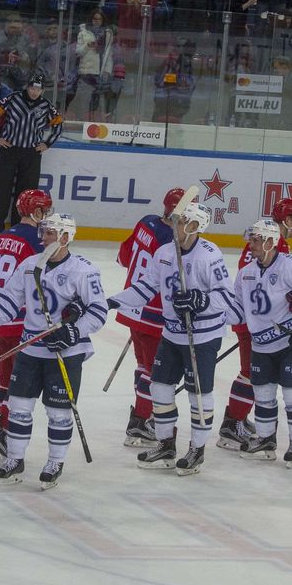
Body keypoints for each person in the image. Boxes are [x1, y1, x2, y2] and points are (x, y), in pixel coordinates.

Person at [109, 199, 233, 475]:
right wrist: (113, 301)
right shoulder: (165, 252)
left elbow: (227, 296)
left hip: (202, 337)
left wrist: (202, 301)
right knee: (160, 387)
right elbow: (146, 287)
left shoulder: (209, 255)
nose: (173, 224)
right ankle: (165, 444)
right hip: (172, 332)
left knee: (198, 394)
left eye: (180, 221)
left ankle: (197, 449)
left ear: (194, 226)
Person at [0, 212, 107, 488]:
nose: (43, 238)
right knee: (19, 407)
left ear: (66, 237)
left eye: (50, 233)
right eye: (44, 232)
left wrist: (74, 331)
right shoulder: (30, 265)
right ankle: (15, 459)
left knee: (58, 412)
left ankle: (55, 461)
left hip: (66, 353)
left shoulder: (83, 270)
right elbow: (7, 303)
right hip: (30, 349)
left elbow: (98, 311)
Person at [229, 217, 292, 467]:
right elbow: (238, 309)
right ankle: (265, 439)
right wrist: (209, 313)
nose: (251, 244)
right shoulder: (246, 273)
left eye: (256, 240)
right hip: (261, 346)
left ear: (270, 242)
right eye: (251, 239)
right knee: (263, 395)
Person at [218, 196, 292, 449]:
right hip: (255, 321)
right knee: (251, 373)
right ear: (287, 219)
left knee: (252, 372)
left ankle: (237, 419)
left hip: (253, 316)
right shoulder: (273, 243)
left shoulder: (265, 238)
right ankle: (232, 424)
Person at [0, 188, 49, 464]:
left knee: (4, 379)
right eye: (45, 210)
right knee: (21, 383)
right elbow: (43, 280)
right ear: (37, 211)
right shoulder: (37, 240)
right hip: (22, 321)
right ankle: (3, 431)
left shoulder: (3, 237)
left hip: (0, 317)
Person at [113, 188, 183, 448]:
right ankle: (141, 421)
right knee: (156, 371)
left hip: (131, 305)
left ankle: (144, 412)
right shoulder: (171, 240)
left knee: (144, 366)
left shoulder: (146, 222)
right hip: (153, 313)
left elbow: (123, 256)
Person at [0, 70, 63, 234]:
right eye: (32, 88)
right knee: (2, 187)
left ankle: (19, 225)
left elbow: (58, 125)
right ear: (27, 87)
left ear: (43, 90)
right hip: (9, 150)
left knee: (26, 193)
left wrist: (47, 144)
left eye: (38, 89)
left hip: (31, 154)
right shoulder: (13, 98)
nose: (34, 92)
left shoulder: (46, 105)